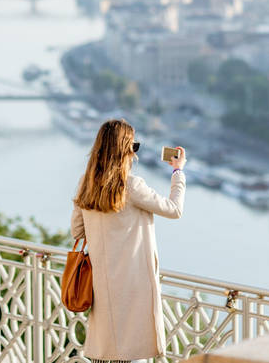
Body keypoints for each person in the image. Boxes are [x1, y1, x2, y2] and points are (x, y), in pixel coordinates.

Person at [70, 118, 186, 363]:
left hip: (101, 283)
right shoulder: (132, 186)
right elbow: (174, 209)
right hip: (134, 283)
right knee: (134, 351)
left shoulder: (86, 184)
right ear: (125, 150)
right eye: (134, 147)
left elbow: (77, 231)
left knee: (107, 349)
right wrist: (178, 172)